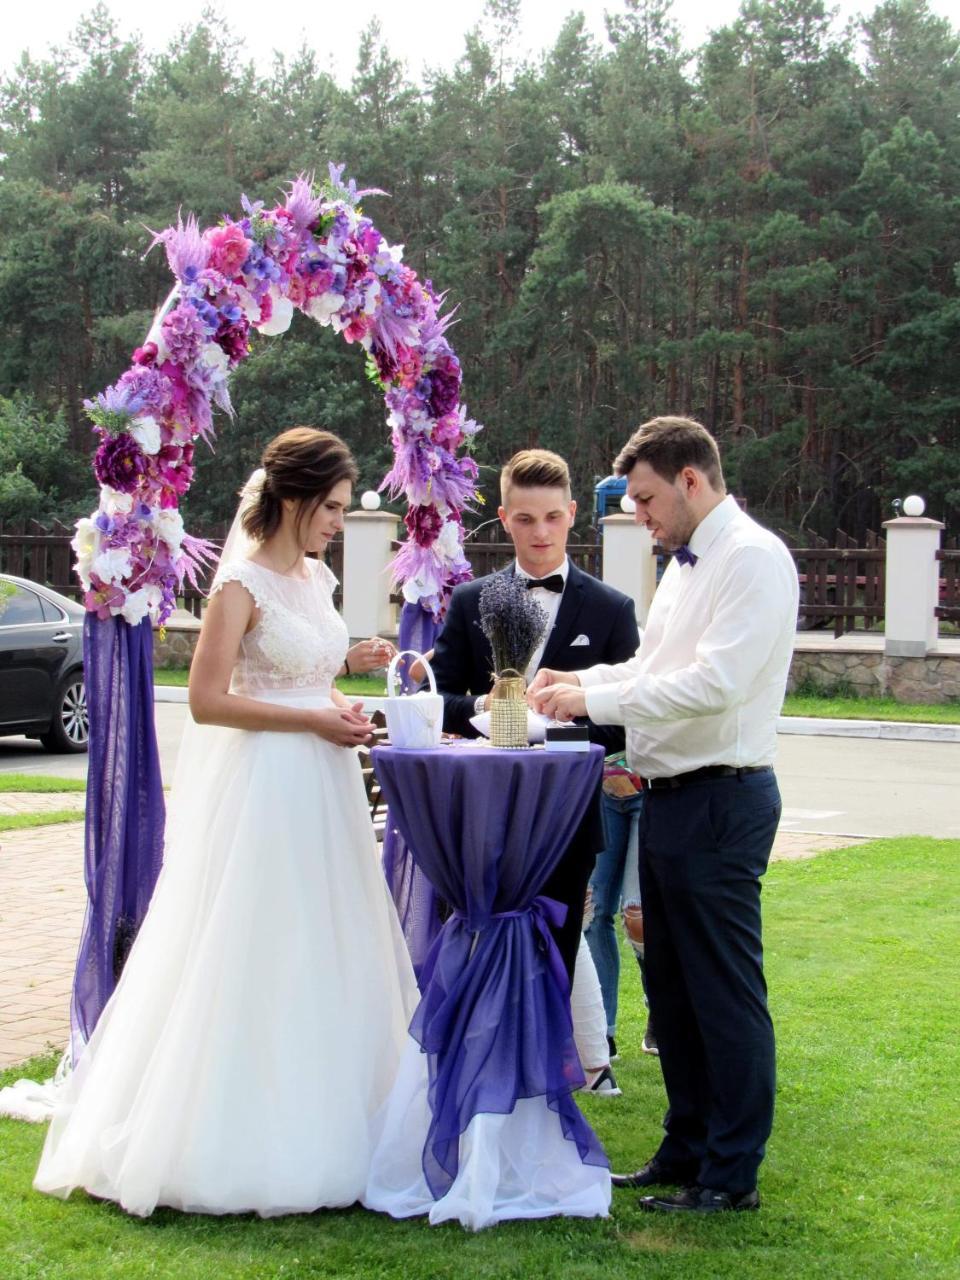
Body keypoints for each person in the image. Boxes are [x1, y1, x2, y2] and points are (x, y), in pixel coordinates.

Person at [34, 427, 418, 1217]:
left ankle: (337, 1112)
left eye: (346, 510)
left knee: (326, 938)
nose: (340, 523)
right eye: (334, 508)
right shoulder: (237, 585)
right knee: (259, 939)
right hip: (266, 788)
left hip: (325, 785)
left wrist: (343, 704)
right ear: (295, 498)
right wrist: (313, 722)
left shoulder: (317, 578)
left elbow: (305, 675)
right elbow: (208, 701)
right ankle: (229, 1131)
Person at [532, 417, 798, 1214]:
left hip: (724, 799)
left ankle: (731, 1173)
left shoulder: (752, 560)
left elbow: (714, 683)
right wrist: (572, 680)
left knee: (722, 991)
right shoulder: (684, 566)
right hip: (674, 797)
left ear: (691, 480)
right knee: (673, 993)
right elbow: (655, 667)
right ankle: (685, 1150)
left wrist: (594, 697)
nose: (637, 514)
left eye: (645, 498)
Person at [429, 448, 640, 1077]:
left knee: (557, 939)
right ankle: (478, 1061)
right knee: (478, 934)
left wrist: (562, 721)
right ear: (503, 519)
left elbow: (625, 716)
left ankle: (552, 1072)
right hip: (482, 810)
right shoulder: (471, 601)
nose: (541, 533)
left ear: (574, 514)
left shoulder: (611, 609)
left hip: (567, 812)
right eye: (525, 519)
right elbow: (438, 699)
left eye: (552, 517)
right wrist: (482, 705)